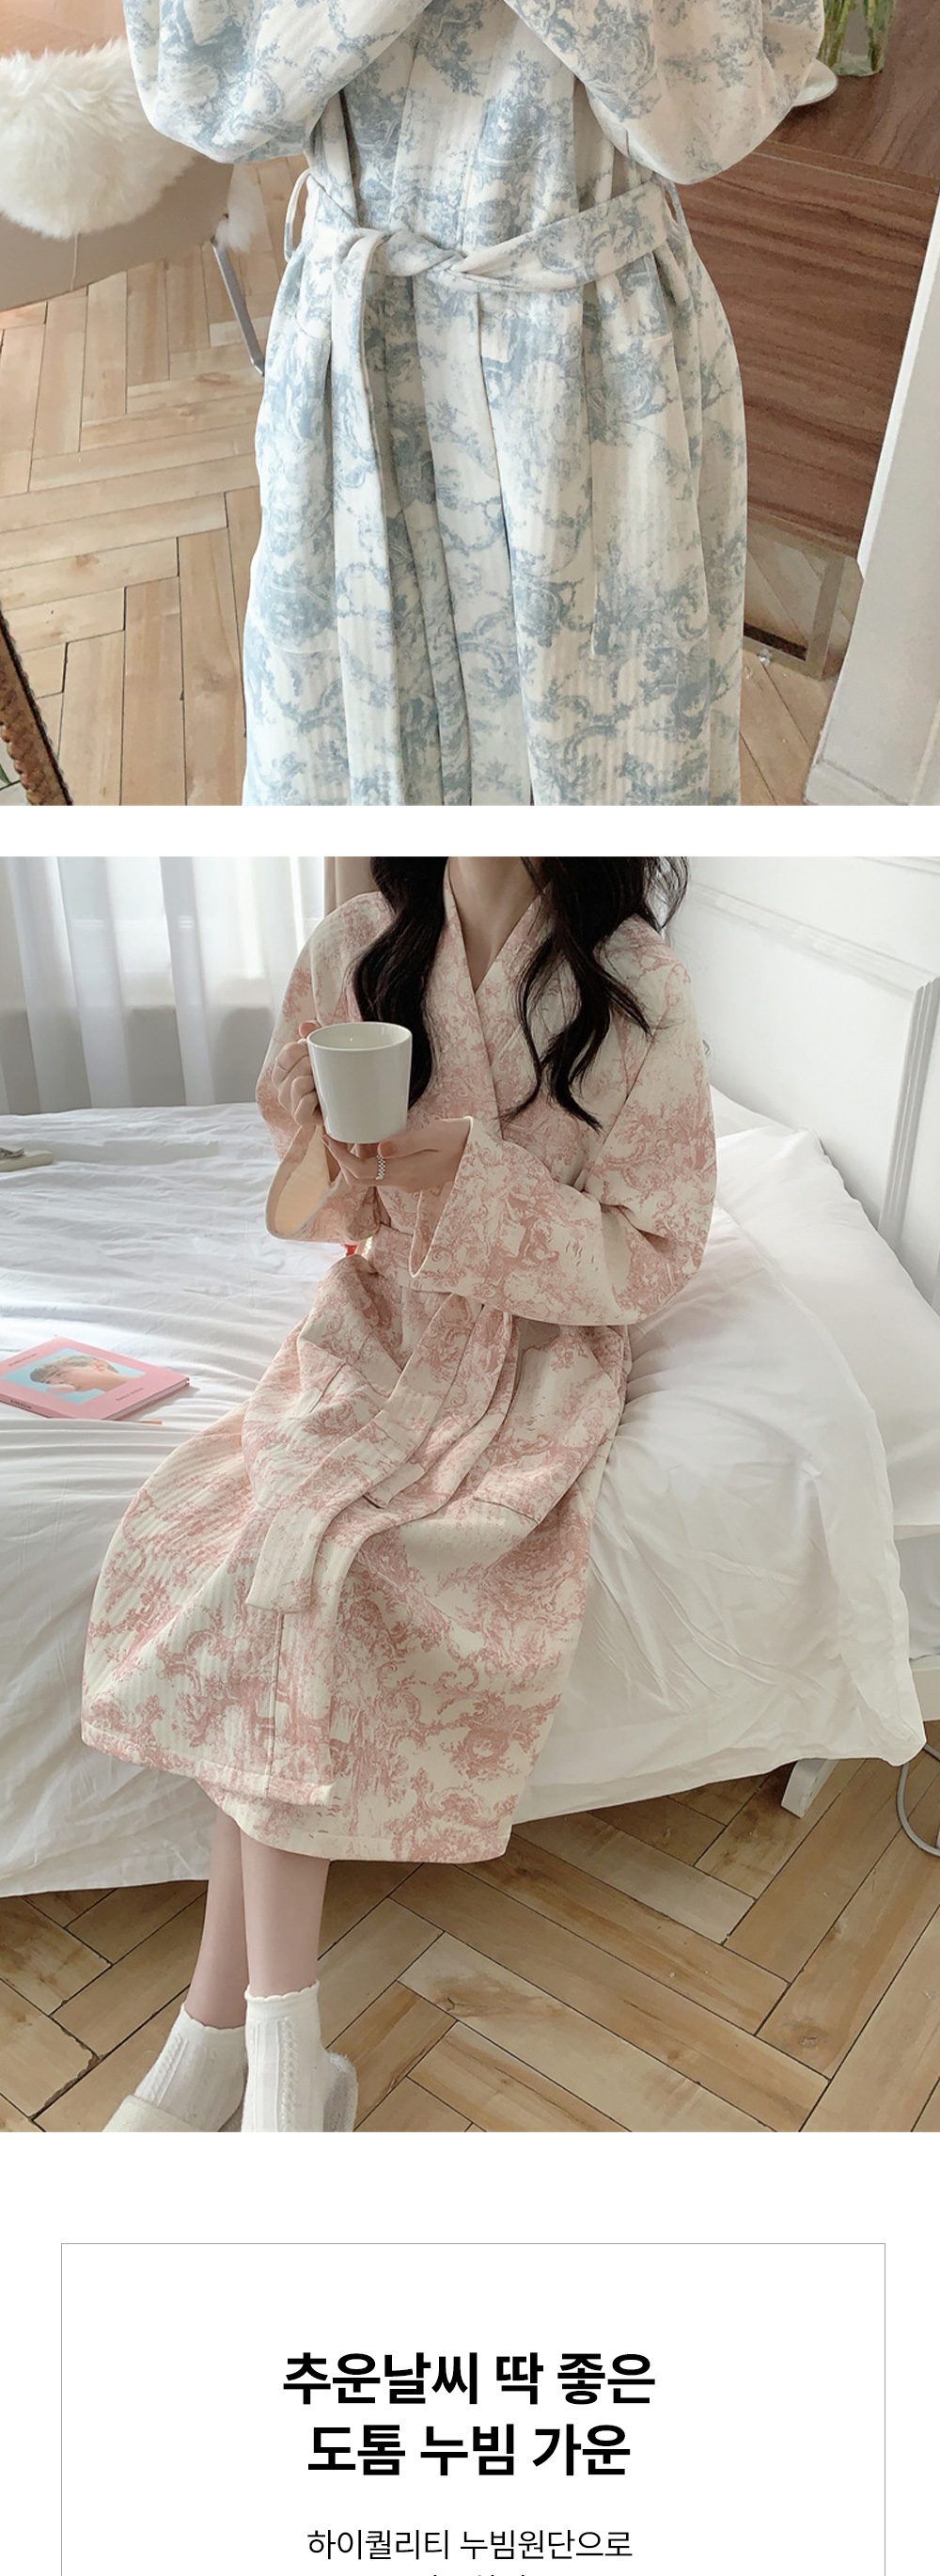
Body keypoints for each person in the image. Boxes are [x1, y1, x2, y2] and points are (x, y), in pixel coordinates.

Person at [113, 0, 823, 810]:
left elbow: (719, 116)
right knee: (368, 789)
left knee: (611, 799)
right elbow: (193, 84)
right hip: (363, 373)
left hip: (608, 379)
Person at [81, 856, 716, 2132]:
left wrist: (471, 1177)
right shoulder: (356, 946)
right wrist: (342, 1161)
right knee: (277, 1542)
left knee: (329, 1564)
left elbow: (655, 1254)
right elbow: (309, 1198)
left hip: (533, 1355)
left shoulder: (636, 983)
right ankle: (269, 2065)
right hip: (375, 1330)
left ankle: (232, 2050)